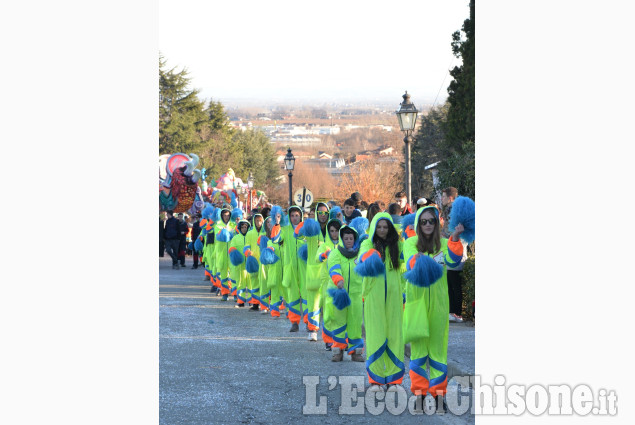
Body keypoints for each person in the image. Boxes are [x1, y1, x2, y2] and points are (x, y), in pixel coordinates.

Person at [402, 204, 464, 407]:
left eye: (431, 221)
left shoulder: (445, 243)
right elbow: (410, 262)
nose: (428, 224)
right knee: (419, 351)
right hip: (416, 304)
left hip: (438, 305)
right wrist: (415, 259)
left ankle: (438, 395)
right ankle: (419, 394)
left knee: (438, 351)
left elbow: (454, 262)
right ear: (418, 224)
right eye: (423, 221)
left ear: (437, 223)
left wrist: (455, 238)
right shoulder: (410, 242)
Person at [357, 213, 405, 391]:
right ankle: (376, 378)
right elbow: (362, 258)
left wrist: (405, 292)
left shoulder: (398, 245)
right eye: (379, 227)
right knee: (375, 335)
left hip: (394, 297)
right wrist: (370, 255)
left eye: (385, 227)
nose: (382, 230)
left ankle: (394, 378)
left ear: (390, 228)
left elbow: (405, 266)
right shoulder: (367, 243)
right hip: (373, 297)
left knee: (395, 335)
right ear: (374, 228)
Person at [325, 224, 364, 362]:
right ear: (342, 239)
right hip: (340, 294)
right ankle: (337, 351)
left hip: (356, 295)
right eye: (346, 238)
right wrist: (338, 280)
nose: (348, 240)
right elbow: (334, 268)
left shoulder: (360, 254)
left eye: (351, 238)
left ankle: (356, 352)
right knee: (339, 323)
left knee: (355, 324)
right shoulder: (336, 253)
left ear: (355, 239)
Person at [302, 202, 330, 341]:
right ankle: (312, 330)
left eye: (325, 213)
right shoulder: (312, 227)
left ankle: (329, 335)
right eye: (320, 213)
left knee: (328, 302)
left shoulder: (333, 228)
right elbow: (298, 236)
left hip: (329, 270)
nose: (323, 215)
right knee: (313, 302)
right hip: (314, 269)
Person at [440, 186, 467, 323]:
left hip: (455, 249)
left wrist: (444, 235)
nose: (441, 199)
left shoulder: (455, 211)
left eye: (443, 196)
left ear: (450, 198)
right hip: (450, 248)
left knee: (454, 283)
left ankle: (457, 313)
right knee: (450, 282)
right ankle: (453, 312)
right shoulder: (451, 210)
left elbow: (456, 230)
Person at [279, 205, 306, 332]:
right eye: (292, 215)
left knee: (306, 296)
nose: (294, 218)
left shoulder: (306, 229)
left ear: (300, 216)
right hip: (290, 267)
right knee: (292, 295)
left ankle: (308, 322)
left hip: (304, 267)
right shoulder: (284, 229)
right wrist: (277, 224)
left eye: (296, 215)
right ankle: (294, 322)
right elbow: (275, 239)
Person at [317, 218, 342, 351]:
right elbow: (317, 258)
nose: (334, 233)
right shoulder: (324, 245)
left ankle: (340, 339)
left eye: (337, 231)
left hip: (341, 283)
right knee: (328, 313)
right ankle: (328, 340)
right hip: (327, 283)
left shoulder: (344, 245)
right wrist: (323, 255)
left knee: (340, 312)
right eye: (331, 231)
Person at [245, 212, 267, 313]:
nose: (258, 222)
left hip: (263, 262)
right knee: (254, 283)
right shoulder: (249, 233)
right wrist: (247, 252)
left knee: (264, 283)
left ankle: (264, 305)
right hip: (253, 261)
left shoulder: (265, 233)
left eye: (260, 221)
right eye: (257, 221)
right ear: (254, 221)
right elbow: (246, 246)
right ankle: (255, 303)